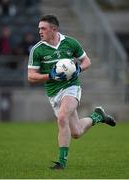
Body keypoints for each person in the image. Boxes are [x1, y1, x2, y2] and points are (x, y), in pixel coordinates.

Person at [28, 15, 116, 170]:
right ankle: (97, 116)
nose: (40, 31)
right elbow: (31, 76)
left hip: (71, 87)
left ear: (54, 29)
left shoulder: (70, 42)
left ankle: (61, 163)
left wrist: (78, 70)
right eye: (39, 28)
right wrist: (51, 75)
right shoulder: (37, 50)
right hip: (53, 93)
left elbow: (87, 61)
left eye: (43, 28)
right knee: (76, 132)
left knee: (62, 117)